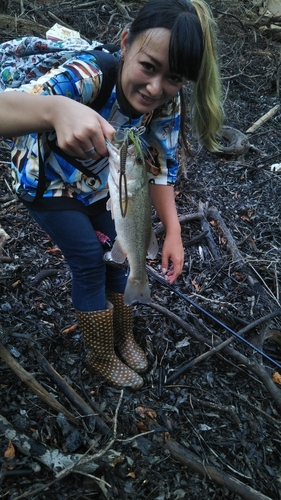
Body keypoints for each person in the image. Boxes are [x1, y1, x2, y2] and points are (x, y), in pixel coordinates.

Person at [0, 0, 223, 389]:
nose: (156, 87)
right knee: (88, 258)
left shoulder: (164, 104)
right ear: (125, 43)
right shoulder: (88, 74)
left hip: (107, 187)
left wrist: (172, 231)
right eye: (148, 67)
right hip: (46, 182)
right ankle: (101, 353)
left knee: (123, 255)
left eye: (173, 78)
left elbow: (162, 167)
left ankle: (123, 335)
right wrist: (55, 109)